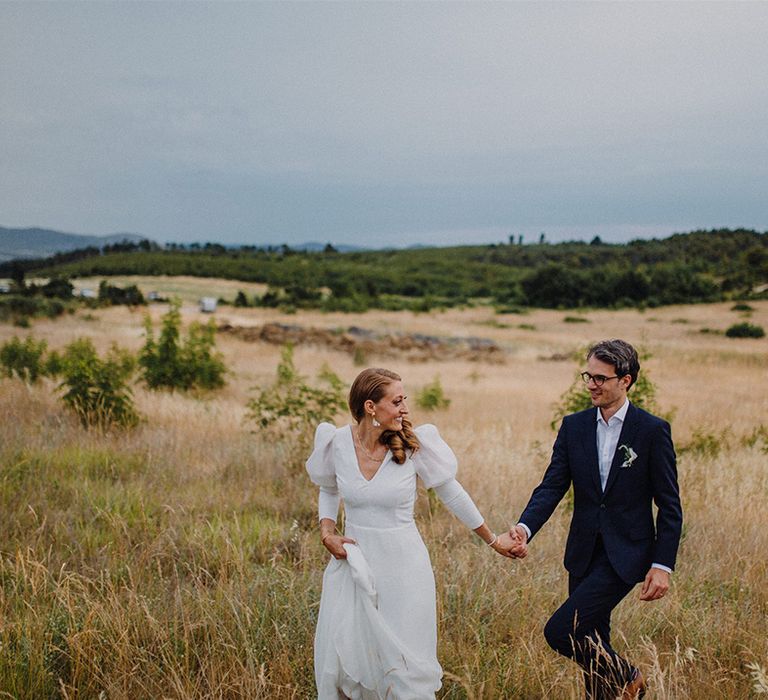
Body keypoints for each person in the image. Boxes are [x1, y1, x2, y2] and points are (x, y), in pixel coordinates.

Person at [306, 367, 520, 699]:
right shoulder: (337, 443)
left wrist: (493, 540)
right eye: (397, 400)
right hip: (354, 567)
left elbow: (453, 494)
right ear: (370, 407)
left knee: (404, 669)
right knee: (346, 661)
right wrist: (327, 532)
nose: (405, 408)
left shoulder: (414, 446)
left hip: (404, 572)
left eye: (405, 399)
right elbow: (328, 488)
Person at [510, 339, 682, 699]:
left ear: (626, 380)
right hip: (583, 552)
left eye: (601, 378)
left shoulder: (651, 430)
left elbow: (669, 504)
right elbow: (553, 485)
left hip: (627, 554)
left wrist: (662, 564)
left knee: (562, 630)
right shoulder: (573, 426)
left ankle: (629, 676)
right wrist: (525, 528)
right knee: (592, 640)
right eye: (588, 376)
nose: (592, 384)